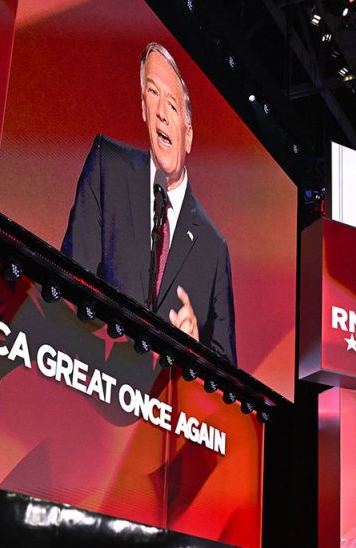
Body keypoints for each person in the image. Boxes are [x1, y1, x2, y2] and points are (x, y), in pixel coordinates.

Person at [61, 42, 236, 363]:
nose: (161, 114)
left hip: (167, 404)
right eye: (152, 93)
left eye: (172, 104)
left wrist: (195, 351)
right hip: (88, 381)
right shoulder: (107, 166)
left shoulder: (213, 247)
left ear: (190, 136)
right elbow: (69, 283)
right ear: (142, 107)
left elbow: (227, 372)